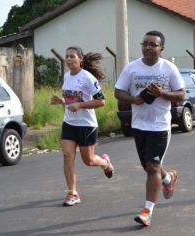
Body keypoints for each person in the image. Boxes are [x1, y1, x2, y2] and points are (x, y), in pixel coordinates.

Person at [114, 30, 185, 226]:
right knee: (148, 167)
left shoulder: (169, 68)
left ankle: (147, 211)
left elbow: (181, 95)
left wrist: (162, 93)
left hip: (160, 125)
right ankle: (169, 177)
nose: (148, 47)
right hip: (139, 125)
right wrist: (133, 99)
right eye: (145, 43)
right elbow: (118, 92)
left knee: (153, 167)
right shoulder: (131, 68)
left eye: (153, 44)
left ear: (161, 48)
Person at [51, 46, 114, 207]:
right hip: (69, 123)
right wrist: (61, 101)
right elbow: (71, 99)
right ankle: (72, 192)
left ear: (80, 59)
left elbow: (101, 101)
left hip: (86, 125)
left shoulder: (87, 77)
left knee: (89, 160)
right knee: (67, 156)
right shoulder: (66, 76)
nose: (69, 59)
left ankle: (105, 163)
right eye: (67, 56)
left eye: (72, 56)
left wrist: (80, 105)